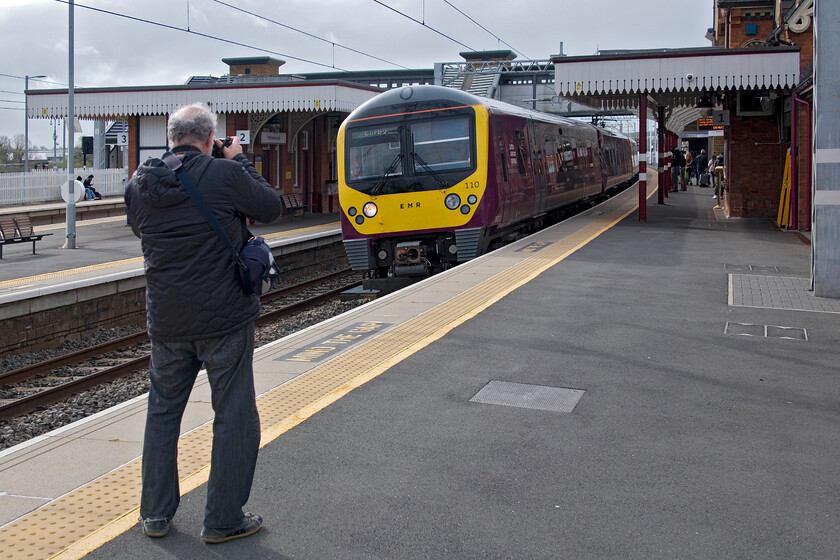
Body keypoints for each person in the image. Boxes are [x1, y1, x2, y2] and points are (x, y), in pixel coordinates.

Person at [125, 102, 282, 543]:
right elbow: (270, 207)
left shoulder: (139, 184)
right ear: (210, 138)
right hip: (224, 320)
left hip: (167, 322)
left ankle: (155, 515)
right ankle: (222, 520)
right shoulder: (225, 174)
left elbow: (142, 232)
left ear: (171, 137)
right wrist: (240, 160)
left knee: (161, 415)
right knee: (233, 417)